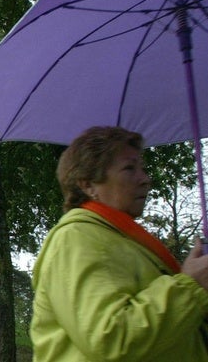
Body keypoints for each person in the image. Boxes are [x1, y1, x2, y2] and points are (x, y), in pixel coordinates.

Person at [30, 126, 208, 361]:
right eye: (129, 168)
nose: (145, 179)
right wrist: (190, 287)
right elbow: (111, 338)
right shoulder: (76, 239)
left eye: (142, 168)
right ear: (88, 185)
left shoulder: (125, 241)